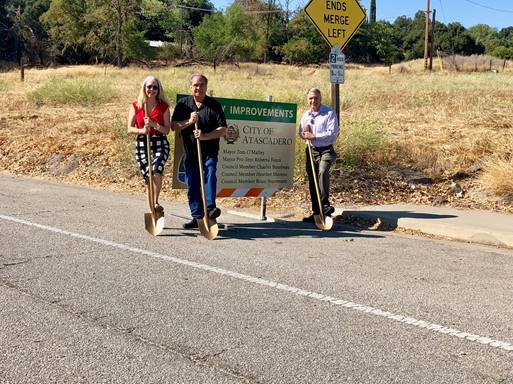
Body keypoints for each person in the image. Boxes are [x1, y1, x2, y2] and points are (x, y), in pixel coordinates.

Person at [171, 73, 227, 229]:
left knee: (209, 174)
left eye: (202, 84)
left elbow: (223, 130)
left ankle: (210, 209)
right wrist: (189, 122)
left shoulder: (214, 105)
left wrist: (205, 136)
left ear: (206, 86)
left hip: (209, 151)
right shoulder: (184, 104)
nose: (199, 88)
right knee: (193, 183)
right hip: (191, 152)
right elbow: (173, 126)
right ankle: (197, 217)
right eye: (196, 85)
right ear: (191, 87)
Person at [127, 76, 171, 214]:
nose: (151, 90)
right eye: (149, 87)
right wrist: (142, 130)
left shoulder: (164, 107)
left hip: (159, 142)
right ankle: (152, 208)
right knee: (148, 177)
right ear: (144, 88)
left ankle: (156, 201)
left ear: (159, 89)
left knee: (156, 171)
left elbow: (167, 130)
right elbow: (129, 128)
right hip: (142, 142)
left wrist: (154, 124)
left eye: (155, 87)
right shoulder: (136, 105)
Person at [298, 88, 339, 222]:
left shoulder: (329, 113)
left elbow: (332, 134)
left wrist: (314, 136)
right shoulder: (305, 115)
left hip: (326, 150)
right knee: (312, 180)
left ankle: (325, 205)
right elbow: (301, 134)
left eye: (315, 98)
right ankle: (317, 211)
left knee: (322, 171)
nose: (313, 101)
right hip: (311, 150)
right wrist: (304, 133)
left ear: (320, 98)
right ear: (307, 99)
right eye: (310, 98)